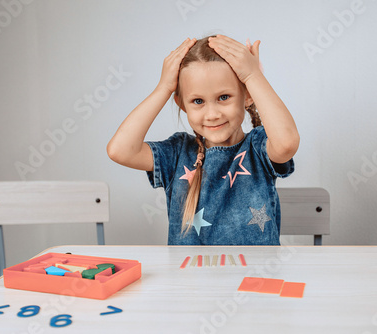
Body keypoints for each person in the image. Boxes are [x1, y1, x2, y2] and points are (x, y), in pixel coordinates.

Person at [107, 35, 299, 245]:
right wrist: (163, 88)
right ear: (182, 104)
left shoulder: (258, 147)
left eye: (223, 97)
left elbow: (286, 144)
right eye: (198, 101)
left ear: (247, 96)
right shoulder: (177, 153)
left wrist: (253, 76)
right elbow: (120, 150)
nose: (212, 114)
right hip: (190, 278)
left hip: (253, 277)